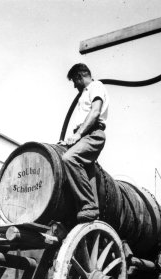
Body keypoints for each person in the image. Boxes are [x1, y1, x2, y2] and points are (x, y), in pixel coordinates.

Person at [61, 63, 109, 223]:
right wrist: (72, 139)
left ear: (79, 76)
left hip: (93, 134)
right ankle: (94, 215)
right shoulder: (86, 92)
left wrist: (79, 134)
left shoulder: (96, 86)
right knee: (88, 174)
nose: (74, 86)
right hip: (85, 135)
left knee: (69, 159)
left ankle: (89, 205)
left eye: (74, 81)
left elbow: (95, 111)